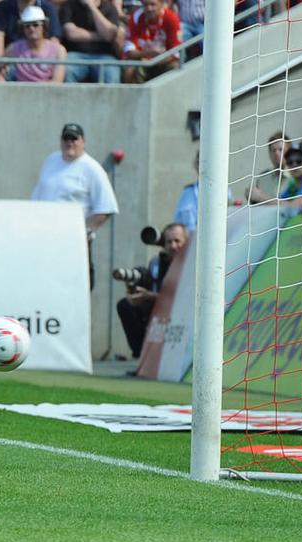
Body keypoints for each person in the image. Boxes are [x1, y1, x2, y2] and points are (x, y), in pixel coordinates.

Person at [30, 123, 119, 289]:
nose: (69, 142)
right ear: (60, 140)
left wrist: (82, 233)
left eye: (74, 139)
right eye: (66, 138)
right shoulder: (51, 161)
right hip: (46, 239)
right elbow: (37, 198)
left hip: (73, 244)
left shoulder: (92, 169)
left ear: (83, 142)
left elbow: (106, 208)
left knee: (74, 288)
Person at [115, 222, 188, 359]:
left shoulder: (192, 263)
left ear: (186, 242)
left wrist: (150, 296)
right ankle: (142, 356)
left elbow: (186, 298)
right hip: (159, 310)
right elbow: (149, 286)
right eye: (169, 242)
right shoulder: (157, 263)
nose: (173, 246)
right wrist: (134, 293)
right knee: (126, 305)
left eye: (177, 241)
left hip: (184, 312)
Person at [0, 5, 65, 83]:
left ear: (44, 26)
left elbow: (57, 81)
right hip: (21, 90)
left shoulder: (59, 50)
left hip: (48, 90)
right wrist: (5, 86)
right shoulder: (14, 48)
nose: (31, 28)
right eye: (27, 26)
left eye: (35, 24)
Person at [59, 0, 123, 84]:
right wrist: (101, 36)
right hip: (75, 54)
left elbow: (109, 34)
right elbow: (71, 33)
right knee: (66, 72)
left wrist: (92, 7)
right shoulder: (69, 5)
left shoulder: (110, 8)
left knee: (112, 76)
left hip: (105, 56)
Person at [123, 0, 181, 82]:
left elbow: (176, 54)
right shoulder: (136, 17)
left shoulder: (171, 18)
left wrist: (154, 61)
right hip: (143, 60)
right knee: (129, 70)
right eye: (146, 5)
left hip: (164, 61)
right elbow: (129, 51)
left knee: (175, 66)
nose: (149, 8)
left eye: (153, 4)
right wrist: (148, 54)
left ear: (161, 4)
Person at [246, 131, 287, 204]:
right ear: (269, 153)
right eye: (273, 150)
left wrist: (261, 197)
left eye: (281, 150)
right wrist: (251, 196)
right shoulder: (263, 178)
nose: (276, 153)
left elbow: (293, 205)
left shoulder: (296, 177)